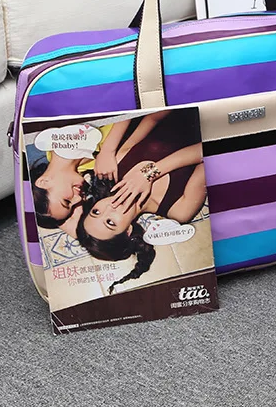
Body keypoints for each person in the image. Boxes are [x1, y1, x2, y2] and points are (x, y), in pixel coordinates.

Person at [75, 110, 206, 294]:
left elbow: (152, 117)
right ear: (128, 231)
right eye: (110, 222)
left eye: (96, 212)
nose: (108, 208)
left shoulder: (116, 168)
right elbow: (216, 149)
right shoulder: (179, 210)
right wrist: (150, 174)